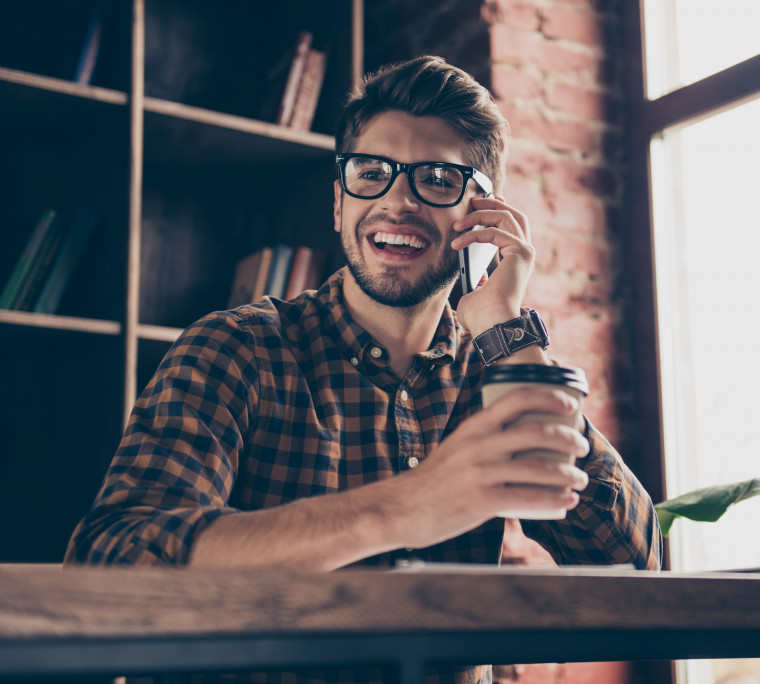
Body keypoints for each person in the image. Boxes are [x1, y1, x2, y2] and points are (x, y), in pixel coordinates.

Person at [66, 55, 661, 683]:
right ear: (338, 202)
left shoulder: (495, 373)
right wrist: (405, 508)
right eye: (371, 173)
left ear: (483, 219)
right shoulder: (234, 350)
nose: (396, 201)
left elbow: (630, 564)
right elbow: (114, 565)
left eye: (435, 178)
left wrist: (505, 327)